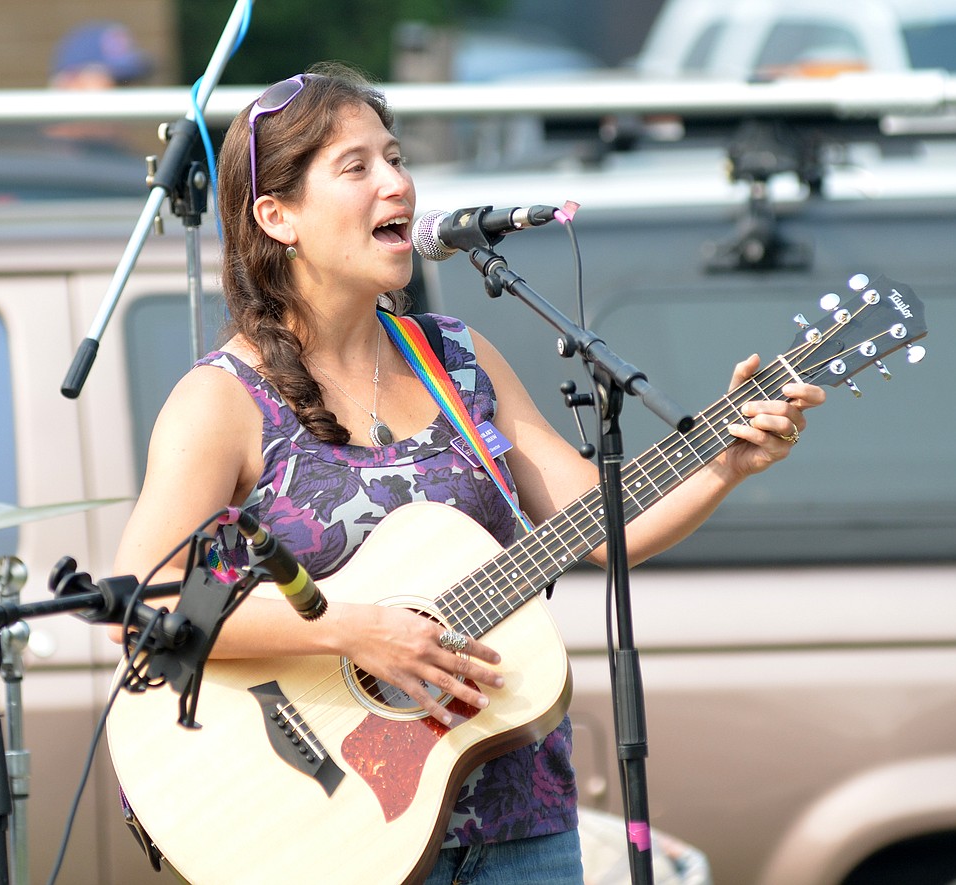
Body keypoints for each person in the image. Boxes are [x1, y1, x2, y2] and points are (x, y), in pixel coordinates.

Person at [112, 61, 825, 884]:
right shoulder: (223, 399)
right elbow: (141, 607)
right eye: (358, 168)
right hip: (333, 832)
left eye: (397, 157)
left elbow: (601, 525)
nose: (398, 185)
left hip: (521, 825)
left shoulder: (456, 358)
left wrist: (727, 463)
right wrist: (353, 629)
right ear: (278, 216)